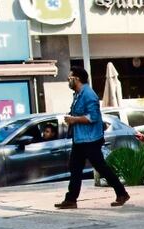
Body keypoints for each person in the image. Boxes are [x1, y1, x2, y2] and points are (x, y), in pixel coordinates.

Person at [55, 67, 129, 210]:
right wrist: (71, 118)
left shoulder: (89, 95)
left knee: (101, 167)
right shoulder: (77, 95)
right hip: (79, 139)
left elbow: (93, 117)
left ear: (77, 79)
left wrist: (74, 119)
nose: (68, 81)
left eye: (70, 78)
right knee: (75, 168)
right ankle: (71, 199)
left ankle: (121, 193)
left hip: (90, 139)